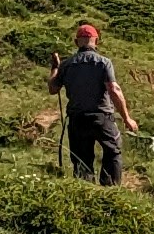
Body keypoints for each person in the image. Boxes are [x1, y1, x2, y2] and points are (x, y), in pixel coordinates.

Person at [49, 20, 135, 186]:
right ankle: (110, 191)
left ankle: (86, 193)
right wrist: (127, 118)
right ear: (96, 41)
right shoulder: (104, 63)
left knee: (82, 159)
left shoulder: (67, 65)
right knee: (113, 151)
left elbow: (53, 89)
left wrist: (55, 68)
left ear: (76, 42)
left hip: (77, 119)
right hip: (102, 117)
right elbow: (113, 90)